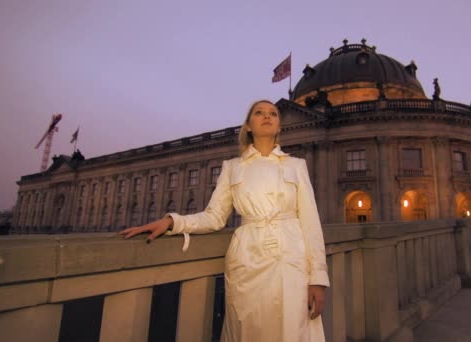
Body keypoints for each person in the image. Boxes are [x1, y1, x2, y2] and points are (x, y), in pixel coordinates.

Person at [119, 100, 330, 342]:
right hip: (248, 260)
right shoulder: (232, 168)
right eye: (259, 113)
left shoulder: (296, 166)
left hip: (291, 259)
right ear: (249, 126)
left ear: (279, 126)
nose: (267, 116)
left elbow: (311, 223)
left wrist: (318, 279)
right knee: (248, 331)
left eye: (273, 113)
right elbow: (214, 216)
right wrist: (172, 221)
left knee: (293, 331)